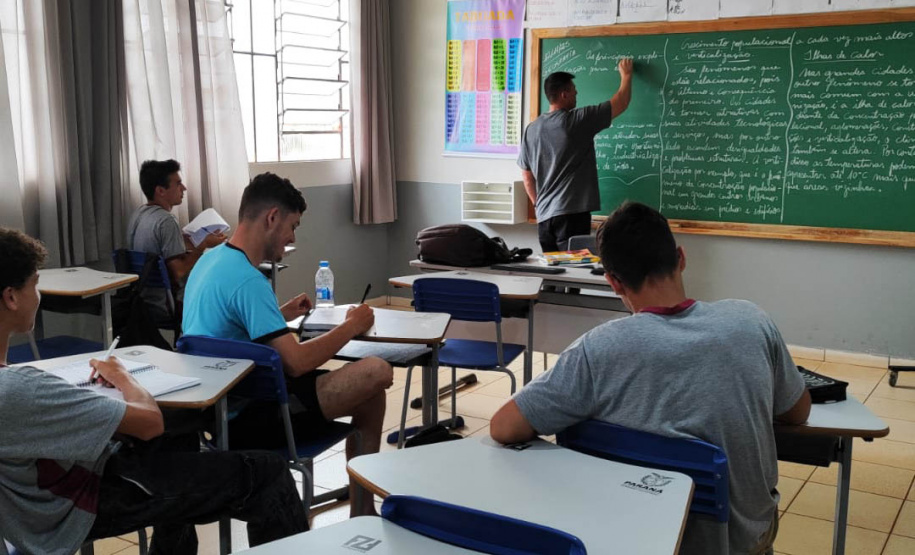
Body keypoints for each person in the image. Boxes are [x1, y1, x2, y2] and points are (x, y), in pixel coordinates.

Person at [489, 202, 811, 555]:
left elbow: (503, 427)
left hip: (632, 541)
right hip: (740, 544)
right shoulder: (752, 322)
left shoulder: (596, 350)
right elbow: (797, 412)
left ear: (613, 282)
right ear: (681, 258)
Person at [0, 227, 306, 555]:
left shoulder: (17, 384)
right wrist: (122, 377)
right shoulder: (21, 390)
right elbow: (149, 421)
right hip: (76, 505)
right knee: (267, 473)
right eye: (35, 283)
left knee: (181, 437)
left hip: (52, 493)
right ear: (11, 297)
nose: (39, 292)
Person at [182, 172, 394, 517]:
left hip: (213, 413)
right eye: (292, 226)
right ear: (271, 218)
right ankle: (362, 510)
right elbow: (296, 362)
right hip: (251, 417)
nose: (292, 237)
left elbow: (223, 334)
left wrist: (280, 314)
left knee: (370, 391)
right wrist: (352, 326)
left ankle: (363, 509)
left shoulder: (211, 261)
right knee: (375, 372)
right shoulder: (249, 281)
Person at [518, 61, 633, 253]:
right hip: (570, 216)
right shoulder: (576, 122)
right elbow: (620, 103)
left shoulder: (531, 129)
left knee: (553, 277)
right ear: (564, 94)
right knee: (573, 275)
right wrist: (626, 76)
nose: (577, 94)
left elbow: (526, 175)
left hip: (545, 218)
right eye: (573, 90)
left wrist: (539, 204)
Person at [126, 159, 226, 322]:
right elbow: (178, 272)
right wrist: (204, 245)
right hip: (166, 303)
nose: (184, 188)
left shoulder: (138, 215)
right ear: (161, 191)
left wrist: (190, 240)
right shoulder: (167, 221)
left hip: (141, 299)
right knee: (221, 287)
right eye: (178, 183)